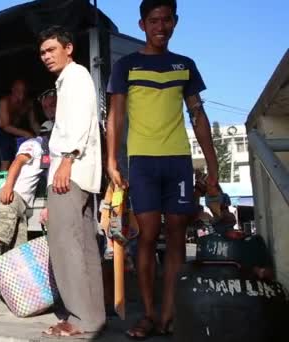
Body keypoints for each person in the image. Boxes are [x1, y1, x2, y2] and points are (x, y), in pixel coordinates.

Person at [106, 0, 219, 338]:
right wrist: (112, 162)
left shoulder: (185, 65)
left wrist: (212, 166)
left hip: (179, 163)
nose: (161, 26)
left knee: (175, 240)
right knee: (146, 238)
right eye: (153, 20)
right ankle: (149, 315)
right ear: (142, 25)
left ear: (175, 22)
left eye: (166, 20)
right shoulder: (126, 65)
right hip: (142, 164)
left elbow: (197, 116)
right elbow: (116, 116)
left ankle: (169, 313)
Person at [38, 26, 105, 339]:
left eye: (52, 49)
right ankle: (93, 318)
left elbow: (78, 123)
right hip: (82, 174)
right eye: (43, 52)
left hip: (70, 170)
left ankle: (78, 318)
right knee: (85, 248)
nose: (47, 56)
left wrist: (66, 160)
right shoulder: (72, 78)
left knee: (66, 247)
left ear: (69, 48)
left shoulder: (74, 77)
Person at [0, 120, 54, 298]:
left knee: (16, 249)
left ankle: (9, 289)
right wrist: (7, 188)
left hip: (21, 203)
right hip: (13, 197)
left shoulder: (45, 152)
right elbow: (17, 162)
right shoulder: (34, 145)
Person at [0, 79, 40, 170]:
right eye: (18, 90)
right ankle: (2, 184)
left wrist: (41, 136)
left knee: (18, 158)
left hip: (15, 132)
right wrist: (27, 134)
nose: (21, 94)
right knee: (5, 161)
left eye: (24, 91)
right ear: (13, 90)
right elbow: (5, 126)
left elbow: (33, 122)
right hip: (1, 131)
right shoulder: (5, 102)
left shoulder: (28, 103)